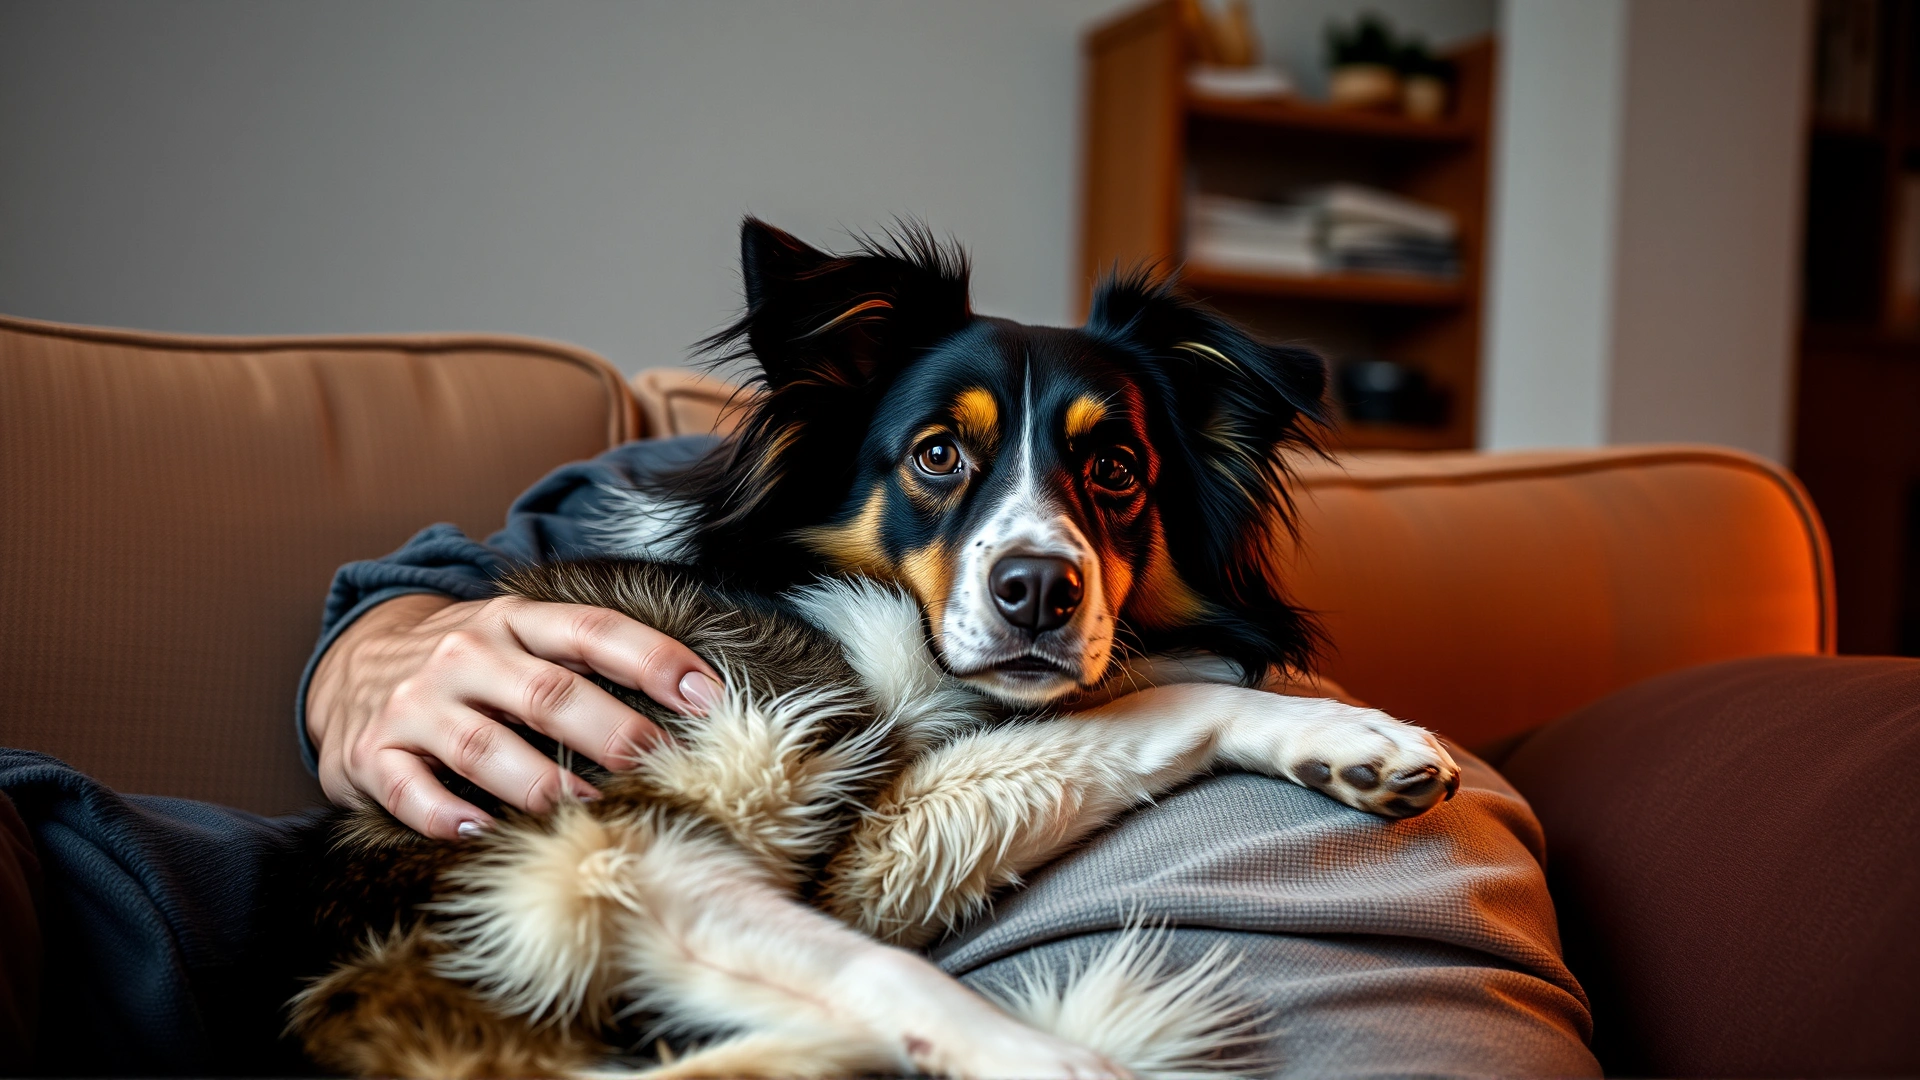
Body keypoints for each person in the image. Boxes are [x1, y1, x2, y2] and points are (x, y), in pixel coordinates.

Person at [2, 432, 1601, 1077]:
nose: (1028, 543)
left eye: (1100, 481)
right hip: (173, 918)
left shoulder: (1338, 779)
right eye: (945, 461)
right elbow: (427, 585)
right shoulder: (718, 499)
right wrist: (378, 657)